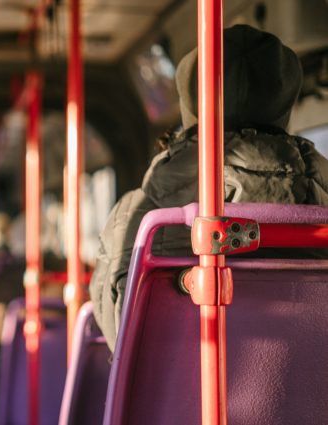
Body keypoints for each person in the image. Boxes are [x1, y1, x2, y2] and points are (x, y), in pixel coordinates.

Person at [89, 24, 328, 352]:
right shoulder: (322, 200)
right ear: (284, 103)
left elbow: (120, 335)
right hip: (313, 400)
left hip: (177, 402)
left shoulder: (139, 215)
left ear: (191, 103)